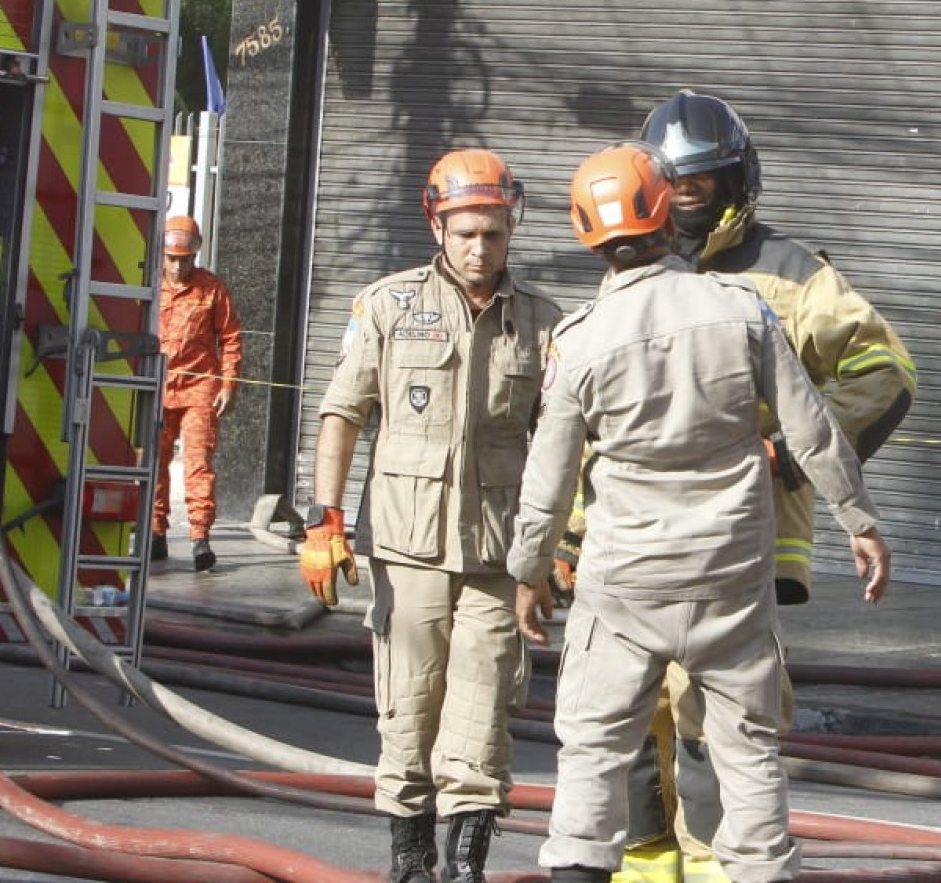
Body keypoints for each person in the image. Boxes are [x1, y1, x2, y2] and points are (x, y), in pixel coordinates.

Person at [510, 141, 891, 883]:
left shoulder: (579, 341)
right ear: (665, 211)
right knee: (748, 753)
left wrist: (529, 570)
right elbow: (812, 431)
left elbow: (548, 478)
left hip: (623, 585)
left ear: (587, 231)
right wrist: (860, 522)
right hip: (731, 578)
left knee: (595, 749)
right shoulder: (740, 311)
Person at [299, 149, 560, 883]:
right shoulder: (387, 306)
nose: (480, 249)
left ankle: (466, 866)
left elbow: (565, 442)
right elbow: (342, 413)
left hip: (498, 557)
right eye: (466, 232)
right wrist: (324, 521)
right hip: (407, 548)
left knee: (483, 715)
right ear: (437, 225)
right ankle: (409, 863)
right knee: (409, 710)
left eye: (495, 234)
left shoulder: (543, 325)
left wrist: (562, 541)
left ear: (512, 232)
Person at [154, 213, 242, 572]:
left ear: (196, 254)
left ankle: (199, 538)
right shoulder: (150, 285)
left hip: (199, 390)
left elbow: (231, 337)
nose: (177, 267)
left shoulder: (212, 288)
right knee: (153, 464)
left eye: (184, 259)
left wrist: (228, 383)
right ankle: (155, 533)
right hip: (157, 388)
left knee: (198, 463)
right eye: (172, 259)